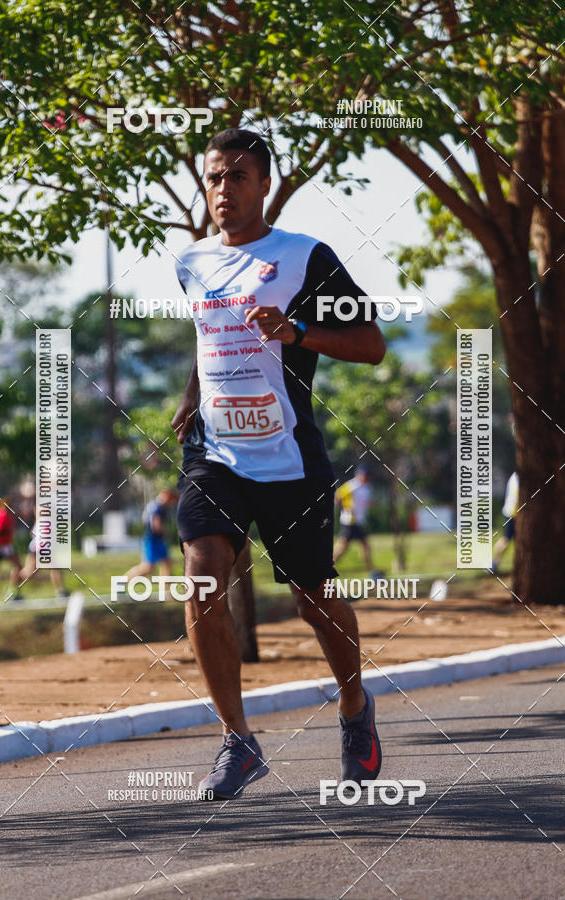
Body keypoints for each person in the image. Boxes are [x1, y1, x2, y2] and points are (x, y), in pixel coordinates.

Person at [171, 128, 386, 800]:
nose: (223, 191)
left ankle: (355, 713)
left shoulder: (305, 258)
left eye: (237, 178)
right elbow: (211, 340)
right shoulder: (191, 263)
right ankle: (238, 740)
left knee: (312, 597)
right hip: (215, 454)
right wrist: (190, 399)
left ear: (265, 184)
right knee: (203, 575)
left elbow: (372, 343)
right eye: (213, 179)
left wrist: (296, 333)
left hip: (290, 460)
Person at [125, 488, 177, 581]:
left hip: (157, 540)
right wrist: (165, 532)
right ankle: (122, 581)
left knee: (167, 563)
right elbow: (155, 525)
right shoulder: (158, 507)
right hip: (152, 540)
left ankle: (167, 592)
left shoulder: (154, 505)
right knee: (147, 568)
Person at [18, 507, 68, 600]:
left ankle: (14, 590)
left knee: (29, 573)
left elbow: (32, 534)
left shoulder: (40, 521)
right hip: (40, 549)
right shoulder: (46, 520)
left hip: (37, 548)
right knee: (30, 573)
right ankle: (60, 592)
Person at [334, 466, 375, 570]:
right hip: (349, 521)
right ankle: (327, 567)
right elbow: (337, 496)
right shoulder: (352, 485)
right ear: (359, 475)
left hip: (358, 521)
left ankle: (371, 570)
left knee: (365, 544)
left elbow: (363, 501)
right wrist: (344, 508)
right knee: (342, 547)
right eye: (365, 476)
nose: (367, 478)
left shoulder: (365, 487)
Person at [491, 471, 519, 574]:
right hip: (513, 514)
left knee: (507, 540)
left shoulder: (514, 476)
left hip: (511, 513)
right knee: (506, 540)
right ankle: (493, 563)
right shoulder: (518, 478)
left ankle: (494, 564)